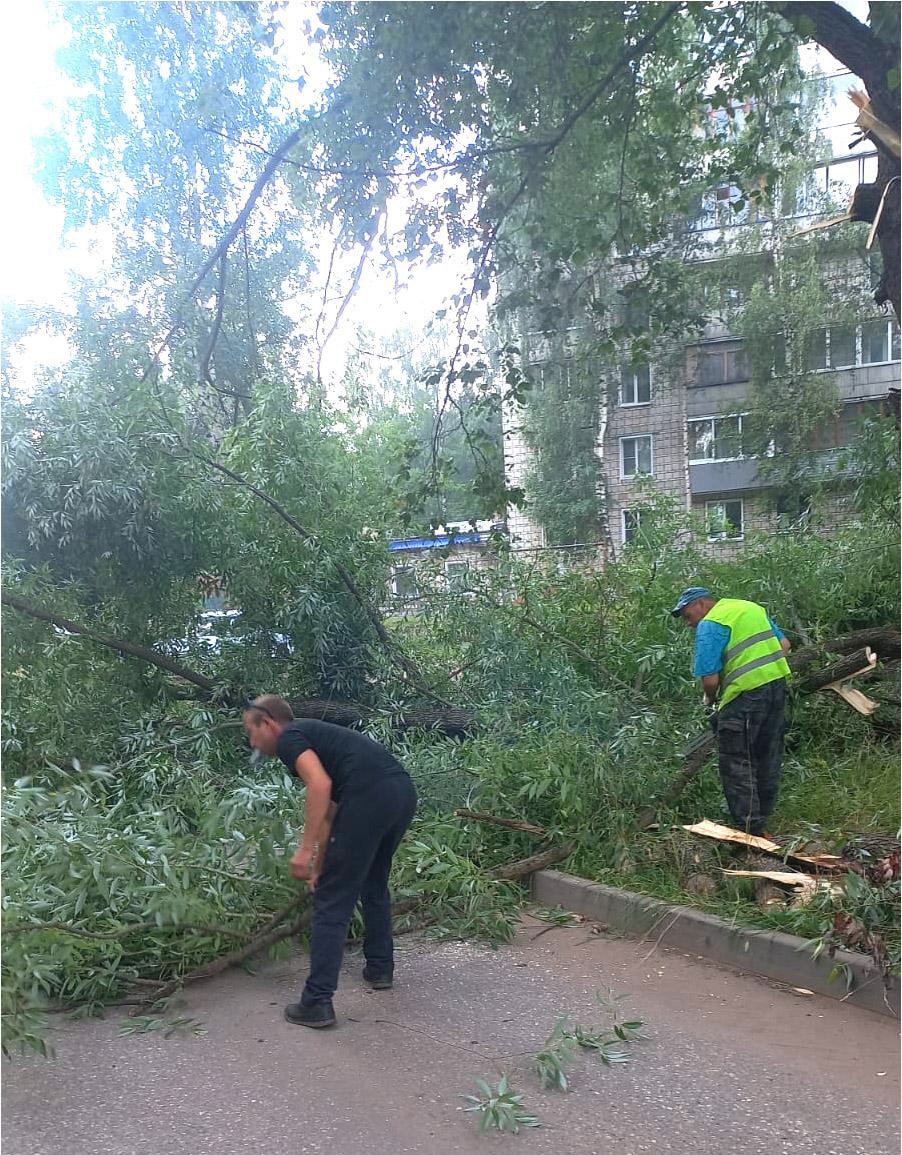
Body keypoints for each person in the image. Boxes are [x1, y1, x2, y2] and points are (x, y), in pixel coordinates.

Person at [242, 695, 417, 1028]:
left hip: (370, 796)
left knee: (332, 902)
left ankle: (317, 1002)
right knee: (373, 881)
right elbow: (332, 810)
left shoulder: (290, 737)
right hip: (400, 793)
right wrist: (321, 865)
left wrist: (304, 851)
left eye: (251, 731)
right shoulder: (314, 736)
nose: (252, 741)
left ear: (268, 723)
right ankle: (380, 969)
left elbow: (319, 786)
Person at [670, 587, 791, 838]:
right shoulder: (750, 607)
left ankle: (749, 830)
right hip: (777, 688)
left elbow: (710, 679)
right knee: (767, 754)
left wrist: (710, 700)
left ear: (701, 604)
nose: (687, 622)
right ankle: (764, 821)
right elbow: (784, 645)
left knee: (736, 761)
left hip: (745, 697)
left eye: (686, 614)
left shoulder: (711, 624)